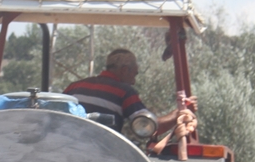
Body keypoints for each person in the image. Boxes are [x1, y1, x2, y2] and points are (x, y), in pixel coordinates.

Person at [65, 49, 194, 137]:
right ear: (125, 70)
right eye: (134, 74)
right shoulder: (123, 91)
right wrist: (178, 114)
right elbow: (148, 127)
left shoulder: (74, 87)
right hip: (99, 153)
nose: (133, 81)